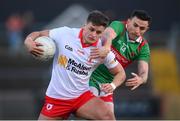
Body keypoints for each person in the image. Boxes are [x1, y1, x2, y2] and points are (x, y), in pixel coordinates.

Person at [24, 10, 126, 120]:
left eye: (98, 32)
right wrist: (28, 41)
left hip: (81, 98)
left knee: (108, 116)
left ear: (103, 33)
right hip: (57, 99)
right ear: (84, 25)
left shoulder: (102, 51)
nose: (93, 34)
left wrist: (112, 85)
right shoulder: (64, 34)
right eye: (91, 29)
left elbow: (121, 73)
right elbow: (38, 34)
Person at [89, 10, 152, 114]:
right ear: (128, 21)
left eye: (142, 28)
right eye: (135, 25)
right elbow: (108, 34)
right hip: (90, 75)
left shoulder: (143, 47)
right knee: (92, 111)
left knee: (108, 117)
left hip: (108, 84)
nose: (137, 31)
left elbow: (144, 72)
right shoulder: (119, 26)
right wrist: (107, 46)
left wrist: (141, 79)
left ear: (147, 29)